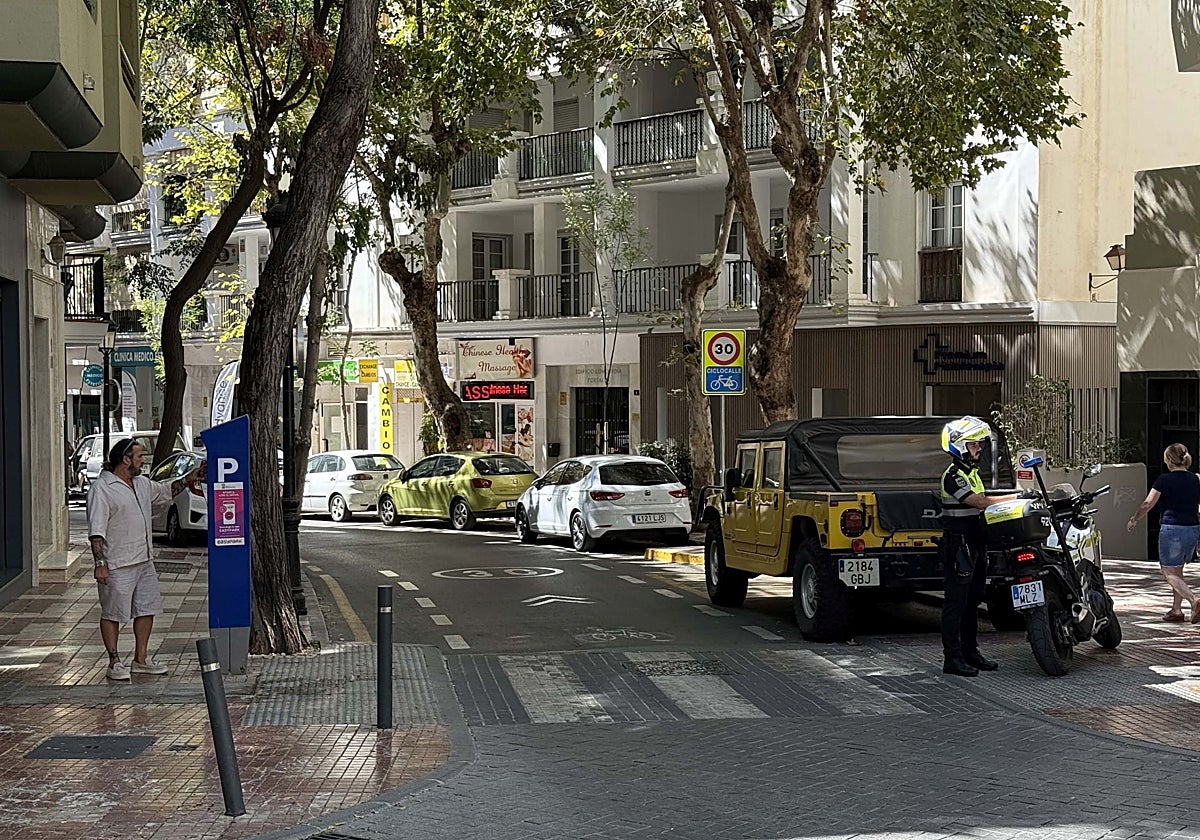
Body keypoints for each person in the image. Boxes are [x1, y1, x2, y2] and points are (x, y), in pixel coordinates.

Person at [87, 438, 191, 680]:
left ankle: (140, 659)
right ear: (125, 459)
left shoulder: (141, 484)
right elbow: (96, 532)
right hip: (117, 563)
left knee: (146, 608)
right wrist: (100, 564)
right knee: (112, 612)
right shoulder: (102, 489)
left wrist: (189, 478)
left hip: (144, 560)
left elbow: (166, 491)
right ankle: (114, 661)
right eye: (139, 456)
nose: (143, 460)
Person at [939, 416, 1020, 677]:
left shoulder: (972, 474)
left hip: (975, 544)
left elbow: (986, 501)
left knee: (973, 601)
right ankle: (952, 659)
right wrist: (1018, 496)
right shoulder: (953, 477)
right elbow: (980, 502)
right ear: (960, 446)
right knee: (956, 602)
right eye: (974, 445)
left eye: (979, 445)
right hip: (958, 545)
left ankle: (970, 652)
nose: (979, 449)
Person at [1127, 443, 1200, 623]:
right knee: (1178, 570)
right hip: (1192, 528)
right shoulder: (1195, 479)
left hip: (1172, 529)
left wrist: (1134, 519)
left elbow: (1147, 504)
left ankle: (1194, 600)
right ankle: (1176, 610)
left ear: (1168, 460)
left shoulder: (1164, 480)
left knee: (1168, 571)